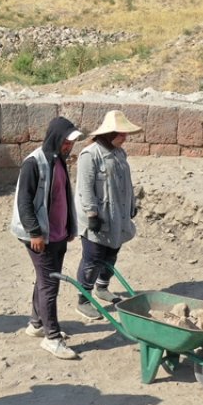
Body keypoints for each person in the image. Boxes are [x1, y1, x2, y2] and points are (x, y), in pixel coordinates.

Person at [10, 115, 84, 359]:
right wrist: (35, 232)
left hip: (58, 234)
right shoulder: (34, 163)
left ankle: (37, 323)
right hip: (40, 236)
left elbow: (63, 196)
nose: (69, 146)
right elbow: (24, 201)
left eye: (71, 142)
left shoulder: (59, 160)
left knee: (44, 280)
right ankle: (52, 338)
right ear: (56, 138)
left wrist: (70, 228)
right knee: (49, 284)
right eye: (66, 141)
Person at [74, 110, 141, 321]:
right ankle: (83, 300)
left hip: (117, 216)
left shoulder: (120, 153)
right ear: (110, 133)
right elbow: (85, 188)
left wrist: (131, 205)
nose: (125, 137)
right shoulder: (90, 155)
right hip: (98, 219)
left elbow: (126, 183)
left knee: (112, 253)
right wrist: (92, 214)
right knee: (93, 258)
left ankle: (102, 288)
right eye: (122, 134)